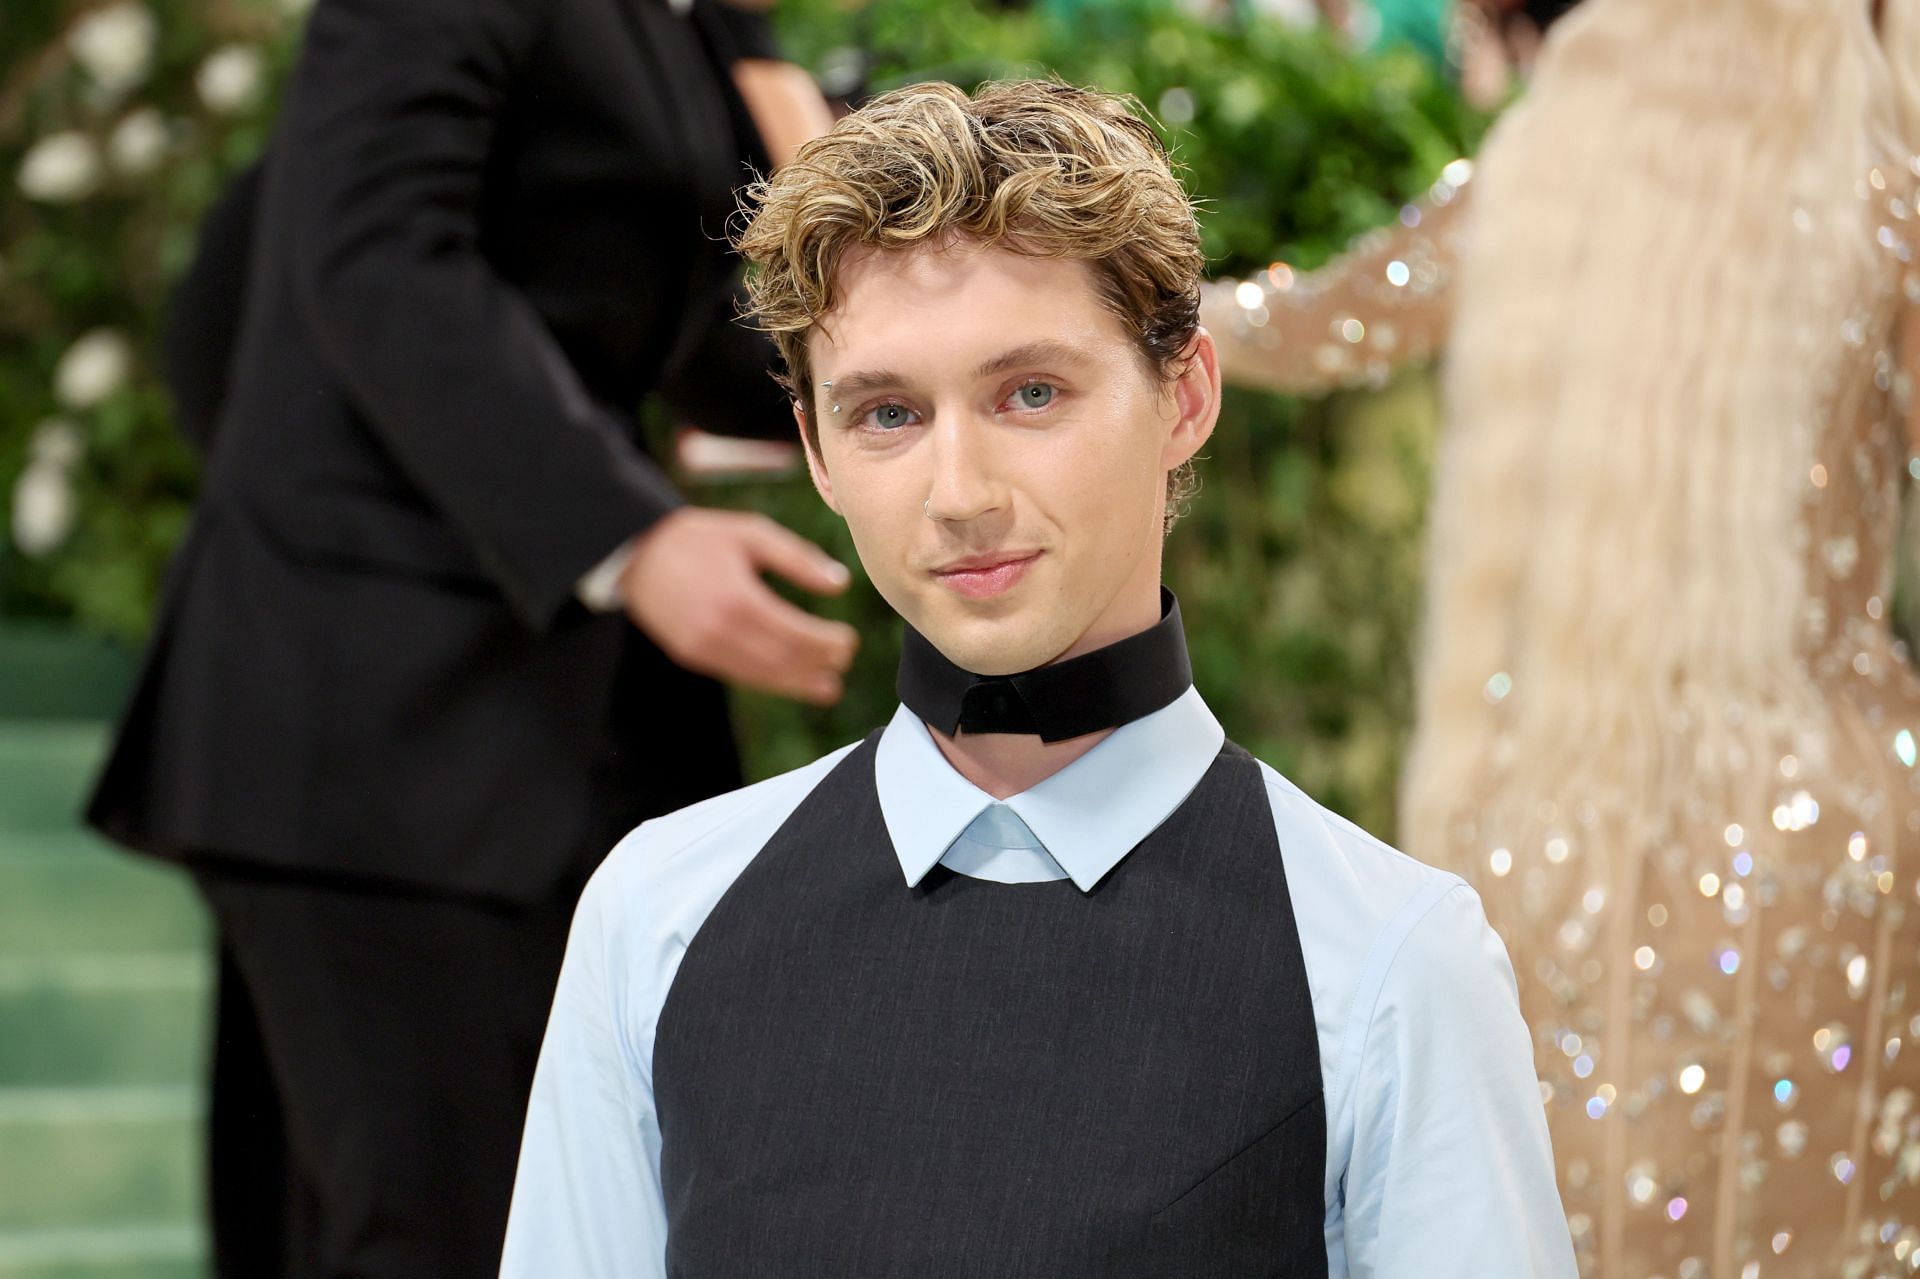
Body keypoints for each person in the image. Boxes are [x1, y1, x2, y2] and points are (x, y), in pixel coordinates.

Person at [500, 78, 1575, 1277]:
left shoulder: (1390, 961)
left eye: (1032, 393)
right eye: (889, 415)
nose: (961, 493)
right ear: (815, 452)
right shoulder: (656, 916)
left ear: (1187, 396)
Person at [84, 1, 854, 1275]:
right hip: (367, 719)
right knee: (430, 1227)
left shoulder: (699, 26)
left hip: (557, 728)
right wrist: (635, 538)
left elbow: (697, 324)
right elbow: (375, 253)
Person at [1201, 0, 1920, 1271]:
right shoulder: (1881, 196)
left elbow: (1310, 320)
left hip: (1549, 837)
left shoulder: (1538, 178)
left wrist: (1116, 304)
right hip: (1833, 846)